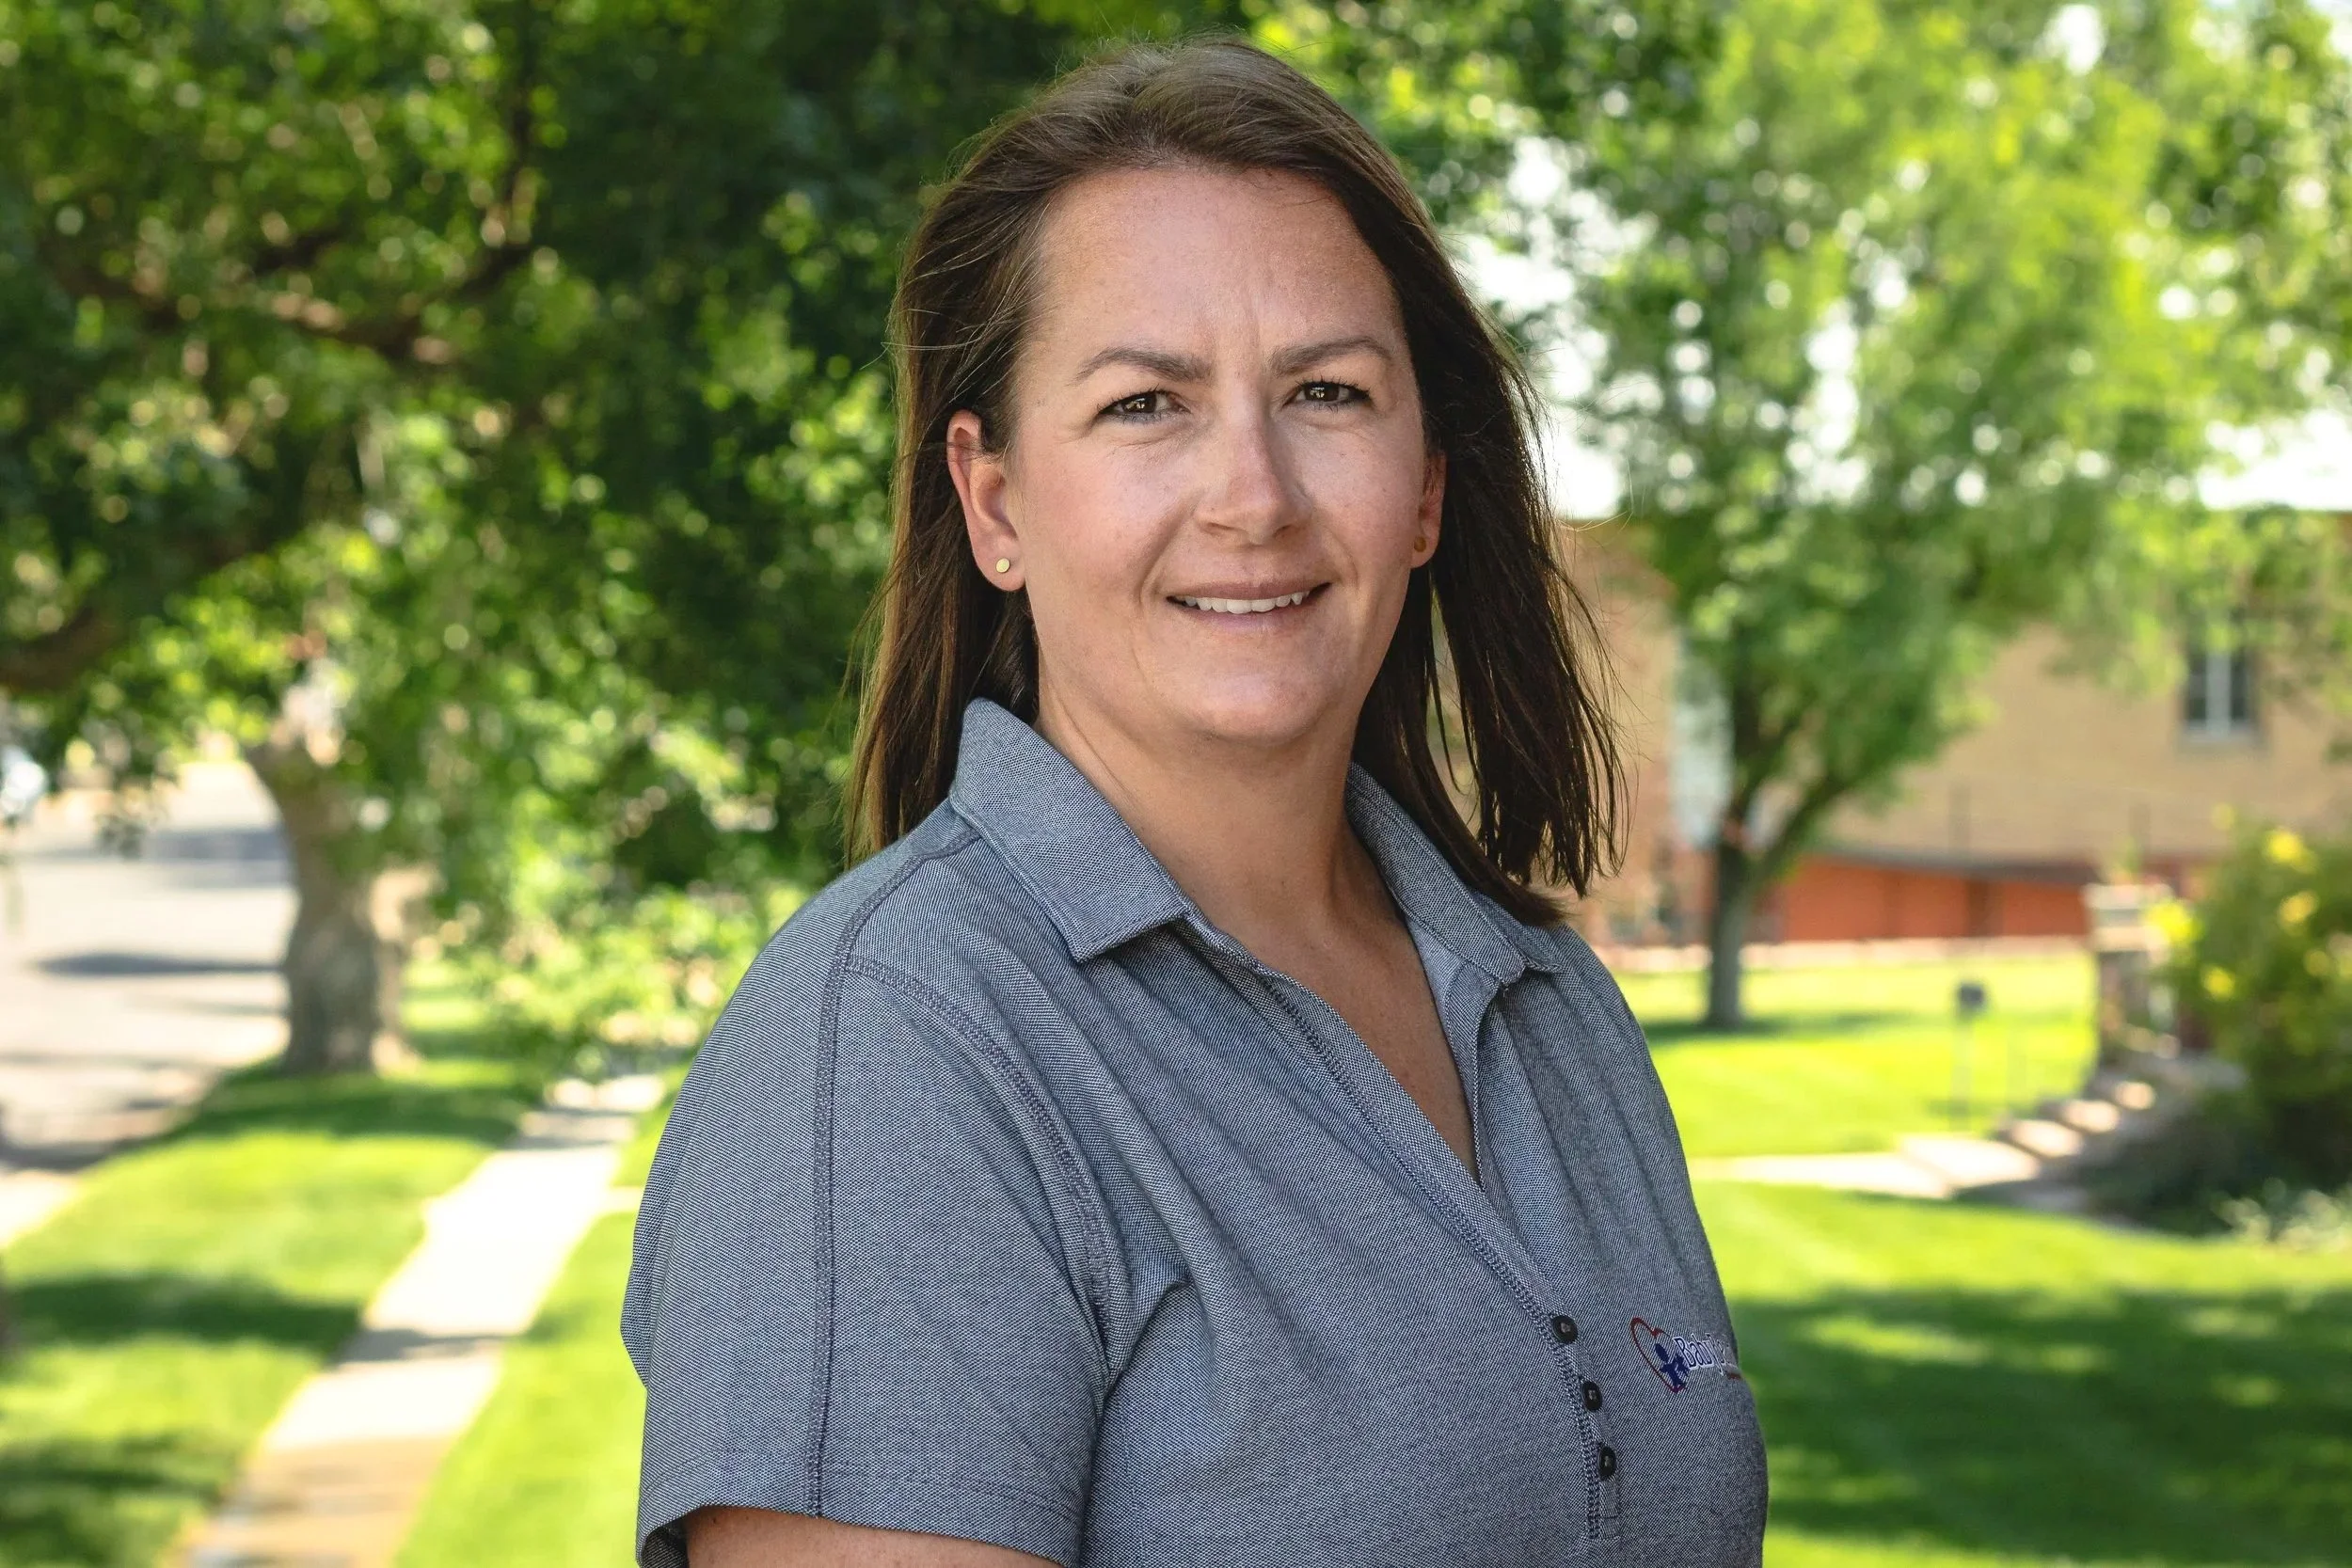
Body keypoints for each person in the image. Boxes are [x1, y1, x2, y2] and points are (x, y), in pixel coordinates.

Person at [624, 37, 1767, 1568]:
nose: (1255, 494)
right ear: (998, 499)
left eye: (1328, 392)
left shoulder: (1552, 1009)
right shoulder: (898, 1045)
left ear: (1426, 481)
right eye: (1147, 405)